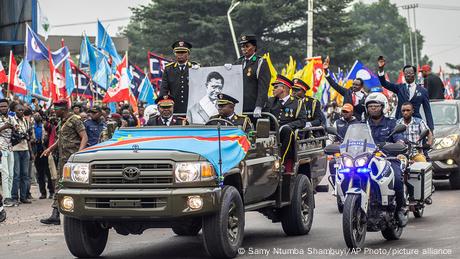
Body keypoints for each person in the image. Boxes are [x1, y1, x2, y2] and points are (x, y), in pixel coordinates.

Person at [40, 99, 88, 225]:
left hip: (73, 160)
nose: (54, 112)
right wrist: (50, 148)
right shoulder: (63, 121)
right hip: (63, 159)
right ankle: (55, 214)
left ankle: (78, 213)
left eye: (56, 110)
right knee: (59, 185)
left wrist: (79, 154)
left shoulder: (75, 120)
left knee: (73, 186)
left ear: (64, 109)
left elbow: (84, 137)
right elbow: (61, 139)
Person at [364, 94, 408, 227]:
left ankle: (400, 209)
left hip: (388, 158)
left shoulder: (391, 123)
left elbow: (399, 140)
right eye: (370, 106)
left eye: (376, 106)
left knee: (397, 178)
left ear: (383, 107)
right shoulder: (363, 124)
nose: (373, 109)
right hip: (367, 159)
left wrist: (397, 144)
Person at [377, 56, 434, 131]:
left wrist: (430, 128)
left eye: (410, 72)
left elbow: (427, 110)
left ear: (414, 74)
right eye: (406, 73)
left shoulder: (423, 91)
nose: (408, 74)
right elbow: (384, 83)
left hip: (417, 124)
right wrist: (381, 69)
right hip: (400, 123)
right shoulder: (399, 88)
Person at [264, 75, 306, 174]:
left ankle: (281, 161)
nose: (273, 90)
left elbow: (302, 121)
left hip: (288, 135)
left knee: (287, 130)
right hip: (272, 133)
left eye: (275, 87)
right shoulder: (270, 101)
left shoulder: (297, 102)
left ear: (283, 88)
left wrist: (287, 126)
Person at [234, 34, 271, 116]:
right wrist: (227, 70)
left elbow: (263, 87)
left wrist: (259, 106)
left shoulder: (260, 62)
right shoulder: (238, 62)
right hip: (240, 106)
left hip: (254, 108)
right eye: (242, 46)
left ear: (254, 47)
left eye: (247, 46)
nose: (244, 49)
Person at [159, 40, 198, 113]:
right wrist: (164, 106)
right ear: (175, 54)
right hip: (175, 108)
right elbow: (164, 89)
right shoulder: (168, 69)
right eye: (178, 52)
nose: (180, 54)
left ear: (188, 53)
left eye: (183, 52)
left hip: (192, 107)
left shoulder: (195, 68)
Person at [323, 56, 367, 121]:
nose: (354, 86)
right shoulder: (347, 92)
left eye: (357, 85)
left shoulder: (365, 96)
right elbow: (334, 84)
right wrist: (326, 71)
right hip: (345, 121)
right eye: (353, 84)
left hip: (358, 124)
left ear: (361, 86)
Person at [329, 103, 360, 185]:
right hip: (341, 151)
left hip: (355, 151)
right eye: (343, 111)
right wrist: (330, 146)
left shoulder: (358, 123)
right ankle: (336, 185)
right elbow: (331, 137)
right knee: (332, 162)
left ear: (352, 112)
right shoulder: (337, 122)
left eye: (347, 111)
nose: (345, 113)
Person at [11, 104, 33, 205]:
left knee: (25, 174)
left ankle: (23, 197)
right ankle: (14, 197)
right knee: (16, 174)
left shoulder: (26, 121)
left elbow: (28, 137)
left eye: (22, 110)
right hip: (15, 150)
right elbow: (13, 134)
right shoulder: (12, 120)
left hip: (25, 149)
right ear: (15, 110)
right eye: (19, 110)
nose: (21, 111)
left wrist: (30, 151)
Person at [32, 112, 54, 199]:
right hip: (37, 152)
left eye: (38, 115)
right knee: (40, 173)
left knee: (48, 173)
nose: (37, 116)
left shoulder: (45, 127)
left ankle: (51, 191)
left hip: (45, 151)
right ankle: (43, 193)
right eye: (35, 115)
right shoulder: (31, 127)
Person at [0, 99, 16, 207]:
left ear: (8, 107)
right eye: (1, 107)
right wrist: (4, 127)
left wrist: (14, 128)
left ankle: (9, 196)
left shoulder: (11, 118)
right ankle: (5, 198)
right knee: (5, 173)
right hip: (1, 149)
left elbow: (18, 131)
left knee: (11, 173)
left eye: (5, 106)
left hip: (10, 148)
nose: (3, 108)